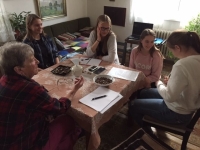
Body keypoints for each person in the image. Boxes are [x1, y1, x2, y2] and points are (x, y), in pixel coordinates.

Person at [0, 42, 84, 150]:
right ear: (19, 69)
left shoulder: (4, 79)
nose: (37, 61)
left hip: (5, 142)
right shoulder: (30, 88)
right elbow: (59, 108)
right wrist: (73, 90)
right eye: (32, 60)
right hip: (25, 144)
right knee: (69, 119)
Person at [129, 30, 200, 128]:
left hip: (176, 112)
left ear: (177, 48)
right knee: (143, 93)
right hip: (185, 106)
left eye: (171, 51)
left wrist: (159, 82)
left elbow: (169, 96)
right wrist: (171, 83)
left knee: (133, 104)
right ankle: (146, 116)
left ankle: (145, 133)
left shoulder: (181, 65)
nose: (173, 54)